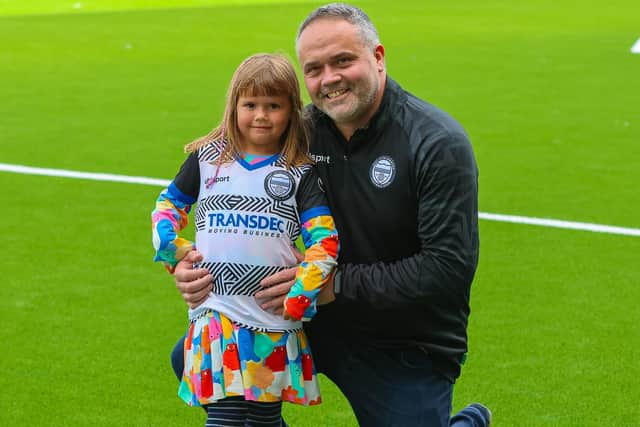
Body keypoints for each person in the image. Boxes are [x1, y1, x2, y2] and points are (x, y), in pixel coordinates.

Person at [172, 3, 492, 426]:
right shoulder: (298, 132)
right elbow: (228, 198)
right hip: (309, 317)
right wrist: (189, 265)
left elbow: (446, 270)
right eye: (314, 68)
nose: (329, 79)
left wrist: (332, 284)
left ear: (378, 57)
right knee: (198, 358)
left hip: (404, 340)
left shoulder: (435, 142)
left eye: (343, 61)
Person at [152, 53, 339, 426]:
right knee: (225, 414)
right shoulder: (207, 160)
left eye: (273, 105)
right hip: (215, 314)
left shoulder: (299, 173)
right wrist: (179, 255)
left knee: (264, 419)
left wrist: (302, 293)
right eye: (250, 104)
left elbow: (325, 241)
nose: (261, 115)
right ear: (233, 105)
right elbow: (167, 208)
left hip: (270, 319)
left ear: (291, 111)